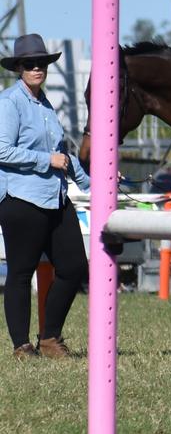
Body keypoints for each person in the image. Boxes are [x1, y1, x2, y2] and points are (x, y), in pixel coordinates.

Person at [0, 34, 90, 360]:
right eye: (29, 63)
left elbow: (62, 153)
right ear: (19, 68)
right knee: (22, 274)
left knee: (74, 267)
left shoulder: (47, 105)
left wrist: (93, 182)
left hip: (56, 197)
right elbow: (1, 150)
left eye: (42, 63)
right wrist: (44, 161)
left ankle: (50, 338)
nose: (37, 67)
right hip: (22, 199)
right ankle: (21, 346)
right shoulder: (10, 103)